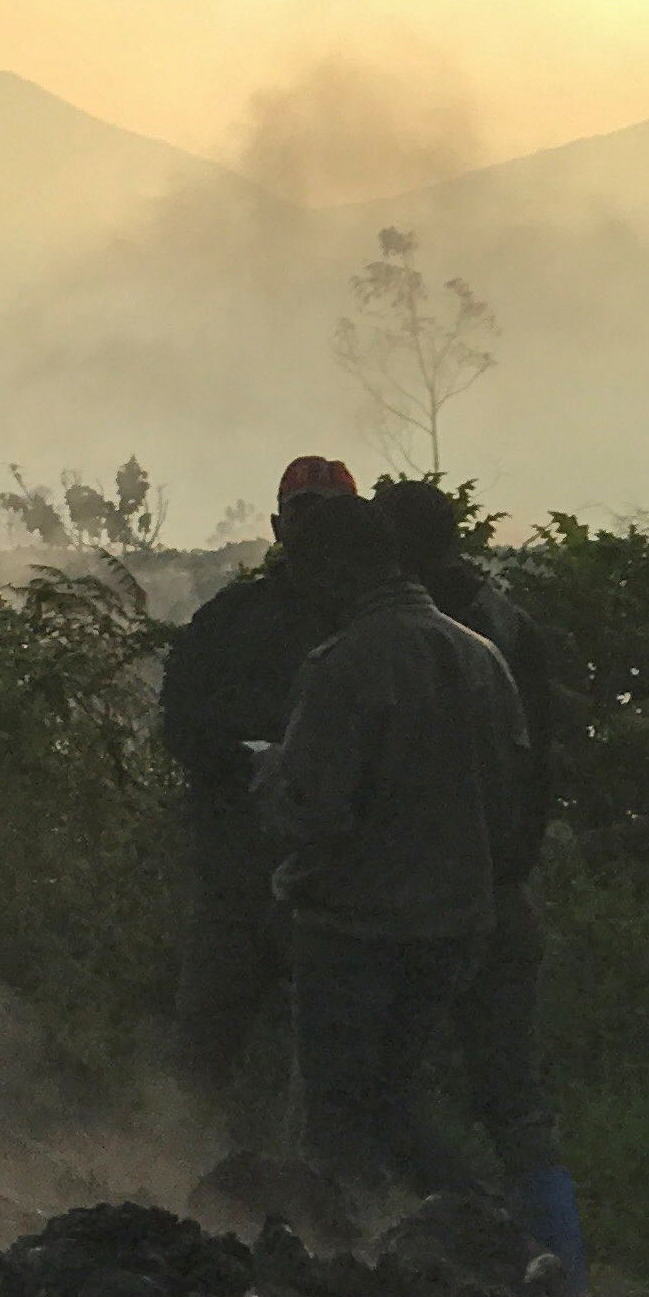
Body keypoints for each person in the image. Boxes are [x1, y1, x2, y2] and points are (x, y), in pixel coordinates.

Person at [253, 487, 530, 1207]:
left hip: (355, 927)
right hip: (454, 924)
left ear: (336, 570)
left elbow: (313, 808)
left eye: (307, 571)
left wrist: (270, 772)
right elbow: (510, 802)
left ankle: (360, 1259)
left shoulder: (345, 665)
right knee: (398, 1105)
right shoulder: (483, 659)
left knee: (339, 1123)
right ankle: (477, 1239)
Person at [373, 476, 583, 1285]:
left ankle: (494, 1251)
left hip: (416, 900)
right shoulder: (505, 622)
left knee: (374, 1094)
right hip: (498, 884)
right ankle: (560, 1277)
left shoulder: (397, 632)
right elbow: (538, 769)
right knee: (514, 1101)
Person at [155, 455, 361, 1128]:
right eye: (305, 517)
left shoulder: (372, 626)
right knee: (199, 1066)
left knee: (330, 1080)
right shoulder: (230, 621)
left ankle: (319, 1210)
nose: (315, 534)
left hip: (338, 893)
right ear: (279, 525)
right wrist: (249, 753)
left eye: (331, 519)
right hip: (237, 883)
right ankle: (168, 1197)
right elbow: (179, 726)